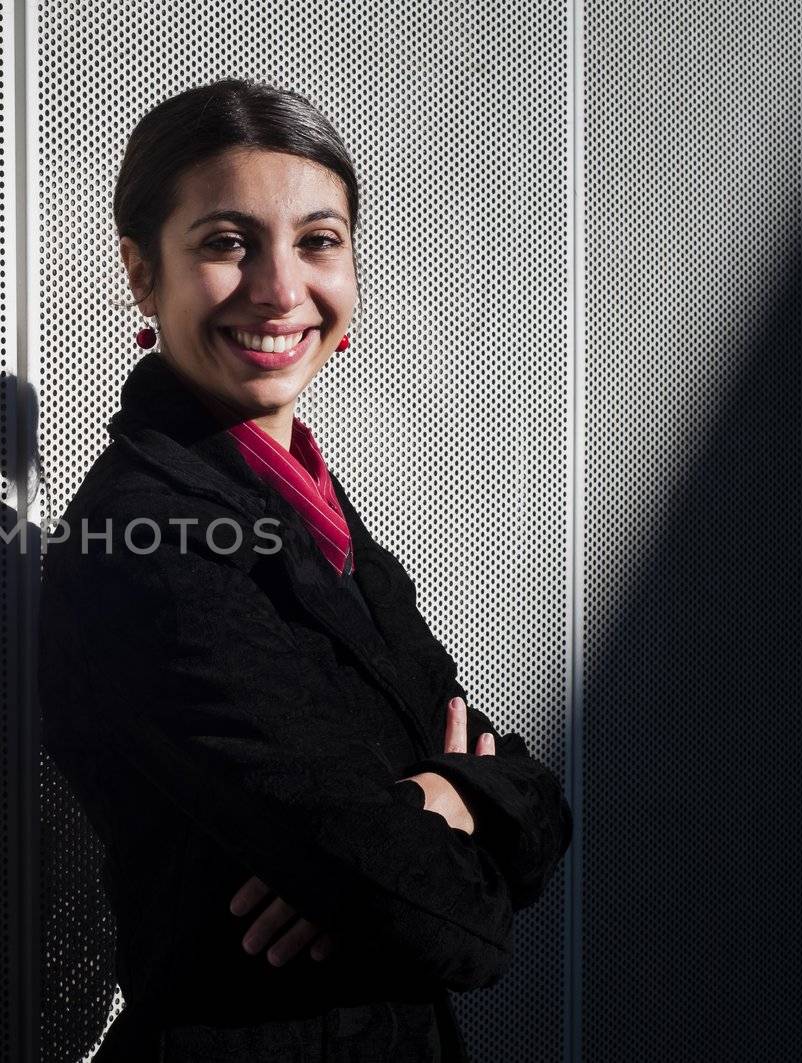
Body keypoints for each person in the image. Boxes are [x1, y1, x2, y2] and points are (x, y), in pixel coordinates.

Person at [36, 78, 573, 1062]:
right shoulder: (144, 536)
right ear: (141, 274)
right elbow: (448, 921)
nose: (280, 290)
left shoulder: (321, 515)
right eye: (226, 242)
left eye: (317, 242)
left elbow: (535, 800)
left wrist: (442, 797)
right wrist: (433, 818)